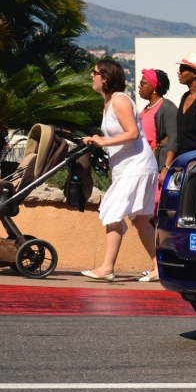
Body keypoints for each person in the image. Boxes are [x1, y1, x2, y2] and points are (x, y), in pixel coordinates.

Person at [81, 58, 160, 282]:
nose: (91, 76)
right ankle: (158, 267)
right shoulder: (108, 102)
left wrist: (101, 142)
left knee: (113, 212)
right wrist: (98, 140)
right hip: (129, 167)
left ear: (105, 77)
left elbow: (133, 133)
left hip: (137, 166)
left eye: (94, 72)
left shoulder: (120, 100)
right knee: (141, 219)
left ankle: (107, 268)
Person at [139, 68, 178, 217]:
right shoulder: (146, 109)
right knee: (145, 214)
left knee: (154, 212)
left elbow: (174, 138)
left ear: (154, 88)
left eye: (143, 84)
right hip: (146, 167)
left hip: (159, 169)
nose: (139, 87)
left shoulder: (167, 107)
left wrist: (166, 168)